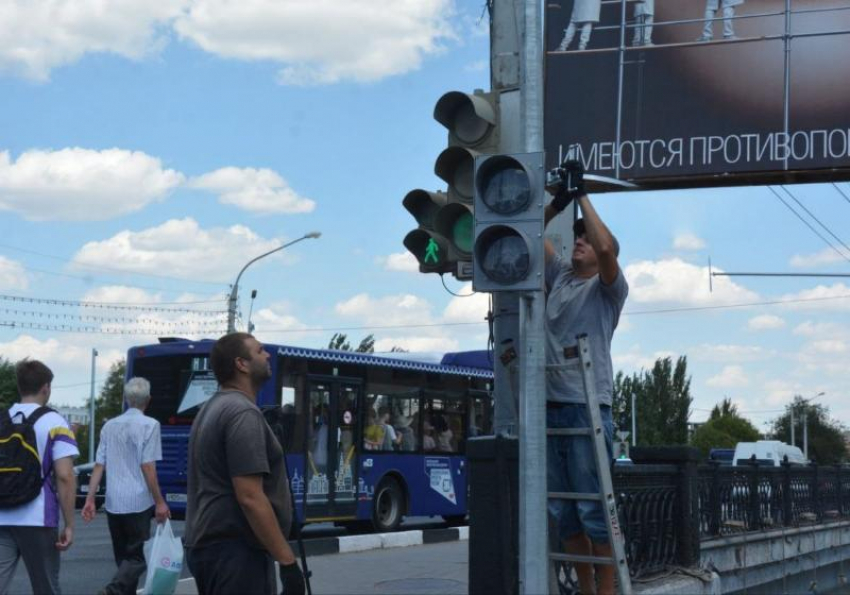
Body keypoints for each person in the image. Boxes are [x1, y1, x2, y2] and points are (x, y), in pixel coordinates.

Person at [544, 162, 629, 595]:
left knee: (594, 510)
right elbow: (523, 233)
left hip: (586, 406)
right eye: (575, 237)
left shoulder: (608, 289)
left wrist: (582, 196)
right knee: (563, 513)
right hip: (550, 408)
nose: (579, 242)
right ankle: (583, 587)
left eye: (585, 239)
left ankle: (607, 592)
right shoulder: (558, 276)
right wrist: (558, 200)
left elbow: (609, 250)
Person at [183, 333, 305, 595]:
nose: (268, 355)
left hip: (213, 548)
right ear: (242, 364)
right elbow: (250, 496)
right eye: (260, 351)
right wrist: (287, 562)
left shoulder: (210, 408)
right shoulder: (242, 413)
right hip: (236, 552)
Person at [81, 377, 170, 595]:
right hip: (139, 502)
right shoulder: (151, 425)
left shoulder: (109, 426)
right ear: (148, 400)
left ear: (126, 399)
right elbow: (148, 466)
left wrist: (90, 498)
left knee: (123, 561)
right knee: (138, 558)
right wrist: (159, 502)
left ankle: (119, 590)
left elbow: (99, 465)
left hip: (113, 503)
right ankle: (112, 591)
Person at [0, 359, 78, 595]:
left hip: (2, 515)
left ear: (20, 386)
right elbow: (64, 476)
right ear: (46, 387)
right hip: (38, 518)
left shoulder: (1, 419)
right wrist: (69, 525)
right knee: (46, 588)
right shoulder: (55, 422)